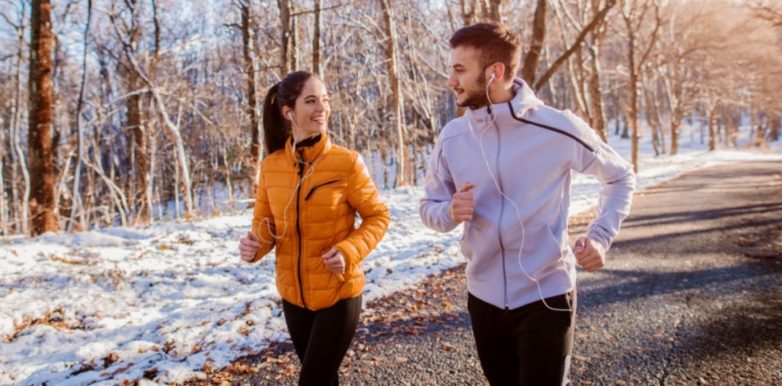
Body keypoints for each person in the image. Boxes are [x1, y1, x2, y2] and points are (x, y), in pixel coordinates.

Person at [419, 23, 636, 385]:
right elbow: (430, 207)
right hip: (483, 298)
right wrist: (450, 211)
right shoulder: (453, 137)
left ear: (495, 72)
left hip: (546, 295)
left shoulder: (557, 128)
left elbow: (620, 176)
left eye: (460, 69)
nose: (450, 81)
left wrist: (600, 237)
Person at [238, 71, 390, 386]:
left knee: (312, 380)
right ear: (288, 112)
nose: (322, 108)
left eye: (325, 100)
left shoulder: (346, 163)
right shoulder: (271, 166)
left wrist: (349, 251)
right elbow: (266, 226)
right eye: (311, 101)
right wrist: (254, 247)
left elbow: (378, 216)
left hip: (339, 292)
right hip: (293, 297)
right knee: (323, 378)